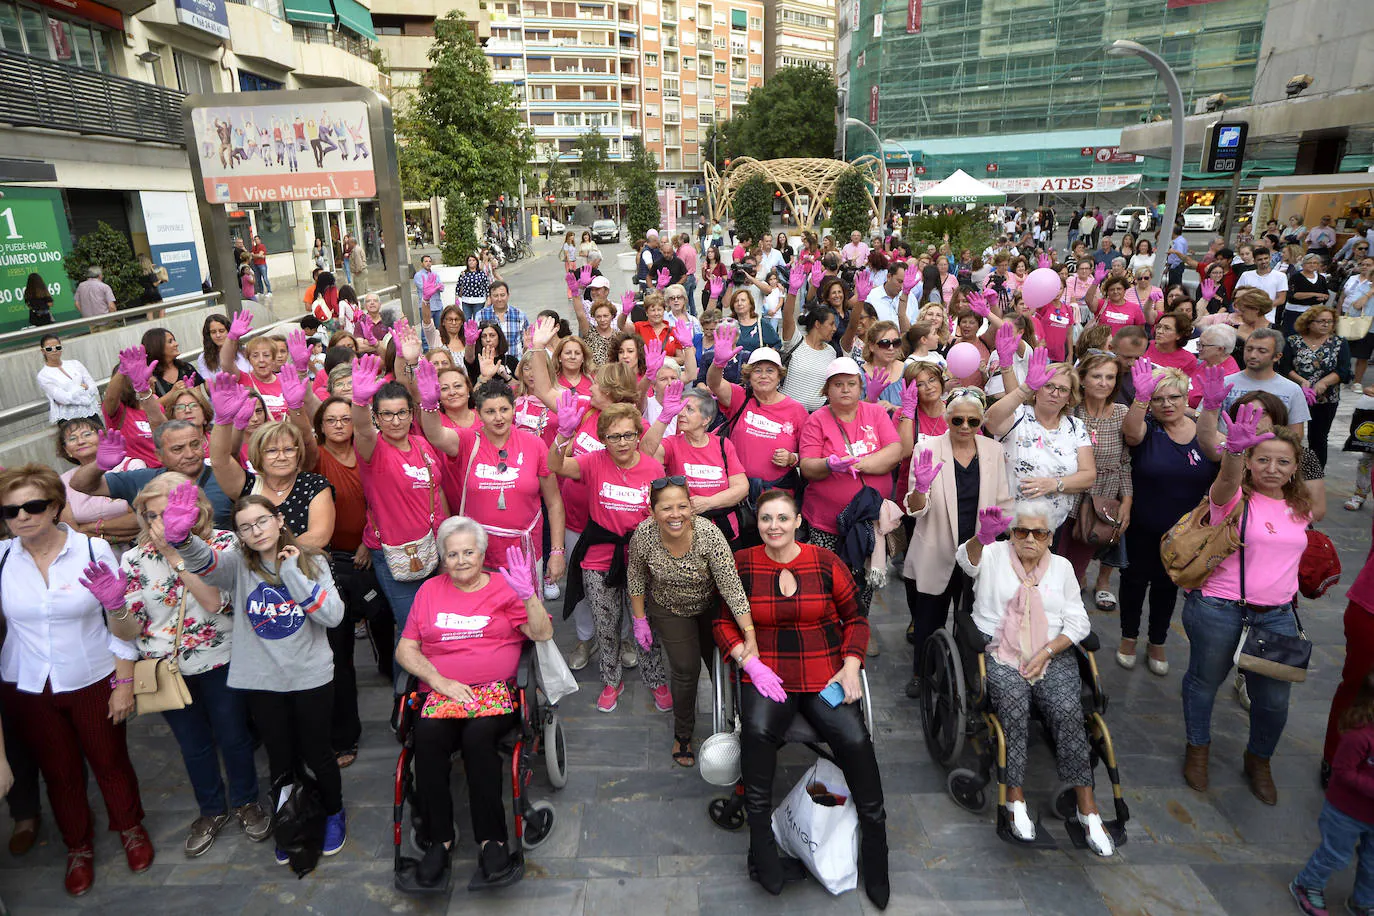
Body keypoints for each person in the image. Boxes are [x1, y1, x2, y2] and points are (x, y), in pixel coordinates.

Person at [717, 489, 888, 908]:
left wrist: (851, 665)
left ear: (797, 522)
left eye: (782, 518)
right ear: (757, 524)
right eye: (765, 519)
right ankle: (761, 847)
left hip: (822, 670)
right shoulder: (742, 565)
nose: (773, 526)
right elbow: (723, 624)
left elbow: (856, 620)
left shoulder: (825, 562)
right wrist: (747, 662)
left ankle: (876, 845)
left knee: (854, 740)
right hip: (769, 674)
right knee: (756, 733)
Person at [0, 465, 149, 896]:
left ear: (54, 506)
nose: (22, 517)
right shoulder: (4, 559)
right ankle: (77, 846)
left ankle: (130, 827)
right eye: (11, 511)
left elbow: (120, 623)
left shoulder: (92, 550)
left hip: (91, 675)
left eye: (33, 506)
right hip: (28, 685)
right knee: (59, 771)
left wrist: (123, 683)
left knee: (109, 761)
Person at [394, 519, 552, 887]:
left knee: (479, 738)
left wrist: (528, 595)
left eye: (469, 552)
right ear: (443, 558)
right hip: (442, 690)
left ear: (482, 554)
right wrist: (438, 680)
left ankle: (492, 840)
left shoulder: (504, 586)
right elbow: (406, 647)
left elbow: (542, 633)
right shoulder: (430, 590)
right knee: (427, 735)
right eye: (453, 554)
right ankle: (439, 839)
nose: (461, 560)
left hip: (495, 691)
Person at [121, 474, 271, 856]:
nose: (159, 523)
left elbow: (216, 603)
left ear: (194, 508)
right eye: (150, 514)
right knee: (193, 745)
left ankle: (246, 802)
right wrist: (114, 606)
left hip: (221, 659)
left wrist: (176, 554)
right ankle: (211, 810)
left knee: (234, 736)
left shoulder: (223, 544)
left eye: (168, 512)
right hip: (165, 668)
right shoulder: (134, 558)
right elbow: (130, 628)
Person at [954, 500, 1115, 856]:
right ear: (1011, 532)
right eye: (1021, 531)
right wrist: (981, 538)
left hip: (1051, 653)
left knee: (1067, 709)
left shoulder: (1062, 568)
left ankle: (1088, 809)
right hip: (1000, 652)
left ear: (1050, 537)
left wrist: (1047, 651)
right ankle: (1014, 797)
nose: (1029, 538)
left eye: (1038, 532)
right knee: (1011, 708)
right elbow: (966, 561)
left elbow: (1078, 622)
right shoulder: (994, 555)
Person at [1180, 407, 1312, 805]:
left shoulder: (1299, 507)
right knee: (1205, 682)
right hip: (1220, 607)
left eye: (1282, 462)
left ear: (1294, 468)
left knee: (1273, 700)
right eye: (1264, 459)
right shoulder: (1233, 497)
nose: (1273, 467)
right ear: (1252, 463)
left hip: (1276, 614)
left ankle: (1259, 760)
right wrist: (1234, 454)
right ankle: (1197, 749)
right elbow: (1224, 481)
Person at [549, 401, 669, 713]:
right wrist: (563, 435)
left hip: (640, 559)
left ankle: (655, 678)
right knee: (606, 624)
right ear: (604, 439)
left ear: (638, 435)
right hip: (600, 556)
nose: (623, 443)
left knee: (646, 624)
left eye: (629, 435)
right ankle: (611, 680)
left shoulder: (653, 468)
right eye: (615, 437)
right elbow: (557, 466)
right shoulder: (592, 462)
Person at [628, 478, 755, 766]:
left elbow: (732, 587)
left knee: (726, 664)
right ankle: (683, 734)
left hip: (712, 606)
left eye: (683, 506)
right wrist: (639, 619)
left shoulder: (709, 535)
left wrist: (750, 635)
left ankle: (739, 724)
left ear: (692, 507)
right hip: (669, 607)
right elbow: (635, 575)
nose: (676, 515)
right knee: (686, 669)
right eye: (667, 508)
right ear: (652, 511)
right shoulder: (644, 535)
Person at [903, 390, 1013, 696]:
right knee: (928, 618)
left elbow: (1003, 501)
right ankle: (922, 673)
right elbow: (914, 509)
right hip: (936, 548)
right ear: (946, 418)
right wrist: (921, 488)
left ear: (981, 422)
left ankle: (968, 674)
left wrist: (997, 531)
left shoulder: (992, 450)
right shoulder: (927, 449)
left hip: (979, 549)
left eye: (973, 421)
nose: (965, 426)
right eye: (958, 419)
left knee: (974, 618)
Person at [415, 366, 567, 587]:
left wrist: (557, 551)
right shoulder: (467, 440)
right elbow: (436, 435)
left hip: (525, 551)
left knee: (526, 616)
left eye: (504, 409)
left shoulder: (534, 444)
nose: (498, 418)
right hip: (478, 553)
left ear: (513, 409)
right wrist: (429, 406)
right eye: (490, 412)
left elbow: (553, 503)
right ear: (478, 412)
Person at [1117, 362, 1219, 674]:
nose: (1167, 404)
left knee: (1167, 585)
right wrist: (1140, 399)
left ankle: (1157, 640)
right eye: (1159, 398)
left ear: (1186, 398)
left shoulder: (1202, 432)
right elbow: (1131, 434)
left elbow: (1222, 457)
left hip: (1184, 531)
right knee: (1134, 582)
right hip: (1142, 525)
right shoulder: (1147, 426)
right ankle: (1128, 637)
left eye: (1173, 397)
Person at [349, 363, 447, 668]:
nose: (395, 420)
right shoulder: (373, 449)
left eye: (402, 412)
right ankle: (406, 704)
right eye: (387, 414)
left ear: (411, 414)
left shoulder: (420, 443)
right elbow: (362, 429)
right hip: (397, 555)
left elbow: (437, 489)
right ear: (377, 417)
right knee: (411, 634)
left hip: (435, 549)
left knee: (437, 626)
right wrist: (359, 403)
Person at [798, 357, 902, 621]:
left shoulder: (876, 413)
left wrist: (861, 465)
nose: (845, 389)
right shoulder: (816, 420)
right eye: (838, 384)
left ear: (860, 387)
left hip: (868, 519)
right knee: (827, 582)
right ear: (827, 390)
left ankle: (857, 627)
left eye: (851, 384)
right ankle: (828, 631)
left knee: (861, 581)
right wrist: (830, 465)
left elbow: (894, 451)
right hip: (826, 522)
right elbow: (808, 466)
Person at [984, 343, 1096, 533]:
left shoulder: (1076, 426)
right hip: (1007, 525)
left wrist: (1055, 484)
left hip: (1050, 528)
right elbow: (991, 422)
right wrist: (1025, 388)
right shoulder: (1018, 414)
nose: (1054, 393)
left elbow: (1088, 476)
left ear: (1070, 397)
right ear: (1037, 390)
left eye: (1062, 389)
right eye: (1048, 386)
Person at [1292, 667, 1374, 916]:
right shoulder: (1360, 737)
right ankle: (1307, 885)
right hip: (1346, 812)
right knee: (1335, 855)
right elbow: (1343, 771)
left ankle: (1364, 900)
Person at [1059, 353, 1132, 611]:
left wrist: (1127, 502)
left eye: (1110, 377)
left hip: (1100, 503)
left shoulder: (1122, 413)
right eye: (1097, 376)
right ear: (1083, 380)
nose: (1104, 383)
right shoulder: (1068, 411)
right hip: (1067, 498)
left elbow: (1124, 463)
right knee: (1052, 564)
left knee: (1077, 569)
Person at [645, 387, 748, 544]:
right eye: (680, 408)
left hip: (723, 533)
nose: (681, 414)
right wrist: (664, 417)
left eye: (690, 409)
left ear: (706, 419)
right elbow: (646, 454)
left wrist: (708, 502)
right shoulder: (672, 444)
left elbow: (741, 488)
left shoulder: (722, 444)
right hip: (685, 533)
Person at [56, 417, 144, 545]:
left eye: (87, 434)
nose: (80, 441)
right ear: (66, 450)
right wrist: (114, 536)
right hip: (94, 553)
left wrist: (92, 527)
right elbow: (74, 533)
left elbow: (140, 519)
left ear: (102, 438)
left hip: (139, 546)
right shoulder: (63, 482)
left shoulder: (131, 467)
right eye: (72, 439)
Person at [1283, 305, 1351, 468]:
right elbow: (1284, 368)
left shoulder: (1339, 343)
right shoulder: (1293, 341)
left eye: (1329, 321)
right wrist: (1301, 381)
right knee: (1289, 435)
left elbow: (1344, 371)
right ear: (1308, 322)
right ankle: (1289, 470)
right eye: (1321, 321)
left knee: (1319, 438)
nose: (1326, 325)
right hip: (1296, 395)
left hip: (1326, 398)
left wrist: (1324, 382)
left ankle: (1315, 475)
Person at [1222, 328, 1310, 438]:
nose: (1253, 355)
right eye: (1249, 349)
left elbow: (1295, 435)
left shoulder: (1292, 389)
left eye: (1262, 351)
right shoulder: (1225, 383)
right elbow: (1208, 424)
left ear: (1277, 356)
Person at [35, 334, 100, 424]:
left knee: (102, 436)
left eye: (57, 347)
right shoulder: (43, 375)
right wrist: (82, 388)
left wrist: (73, 392)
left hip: (90, 412)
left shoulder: (75, 363)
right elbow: (64, 398)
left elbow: (93, 387)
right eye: (49, 349)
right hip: (69, 420)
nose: (54, 351)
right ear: (43, 351)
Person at [475, 281, 530, 362]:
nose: (499, 299)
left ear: (508, 295)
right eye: (495, 296)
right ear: (490, 297)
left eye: (502, 295)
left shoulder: (520, 315)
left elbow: (526, 342)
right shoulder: (481, 315)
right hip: (489, 363)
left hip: (516, 364)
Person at [1187, 325, 1240, 408]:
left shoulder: (1226, 378)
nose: (1198, 349)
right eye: (1198, 343)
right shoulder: (1208, 361)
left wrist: (1183, 410)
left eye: (1202, 345)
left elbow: (1210, 414)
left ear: (1220, 349)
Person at [1342, 256, 1374, 387]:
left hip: (1372, 328)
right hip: (1356, 324)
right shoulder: (1364, 288)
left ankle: (1357, 382)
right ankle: (1343, 378)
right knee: (1347, 354)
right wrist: (1370, 292)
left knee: (1363, 356)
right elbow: (1356, 305)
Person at [1287, 254, 1333, 334]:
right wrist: (1315, 294)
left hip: (1315, 312)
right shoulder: (1295, 277)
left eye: (1315, 263)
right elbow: (1294, 295)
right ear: (1303, 264)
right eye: (1309, 263)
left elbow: (1325, 294)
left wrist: (1323, 298)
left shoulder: (1321, 278)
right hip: (1296, 312)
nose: (1312, 265)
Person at [456, 254, 492, 320]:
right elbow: (458, 286)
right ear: (467, 262)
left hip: (479, 301)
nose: (471, 262)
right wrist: (456, 297)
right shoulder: (463, 273)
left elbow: (486, 286)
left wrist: (488, 297)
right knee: (466, 320)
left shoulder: (481, 274)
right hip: (466, 300)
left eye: (473, 260)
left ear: (476, 262)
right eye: (469, 260)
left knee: (477, 320)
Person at [414, 255, 444, 320]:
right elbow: (424, 289)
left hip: (438, 306)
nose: (428, 263)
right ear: (422, 263)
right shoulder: (418, 275)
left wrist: (436, 287)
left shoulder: (435, 274)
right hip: (426, 307)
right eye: (426, 261)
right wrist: (436, 286)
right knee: (426, 329)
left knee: (440, 329)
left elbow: (442, 288)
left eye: (430, 261)